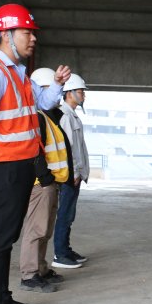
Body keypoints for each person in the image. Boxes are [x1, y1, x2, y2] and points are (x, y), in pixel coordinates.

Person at [0, 3, 71, 304]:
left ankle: (3, 298)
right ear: (7, 35)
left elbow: (41, 106)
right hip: (5, 167)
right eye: (27, 32)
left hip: (22, 165)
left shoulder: (19, 74)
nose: (32, 39)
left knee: (8, 235)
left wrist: (55, 84)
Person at [17, 67, 72, 293]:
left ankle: (41, 269)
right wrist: (45, 178)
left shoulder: (50, 117)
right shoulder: (38, 118)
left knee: (45, 230)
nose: (57, 96)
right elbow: (34, 152)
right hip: (42, 185)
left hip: (51, 183)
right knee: (36, 230)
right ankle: (29, 275)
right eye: (51, 89)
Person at [53, 74, 91, 269]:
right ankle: (60, 254)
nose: (83, 95)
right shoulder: (65, 116)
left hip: (75, 174)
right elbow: (68, 149)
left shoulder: (73, 115)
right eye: (80, 91)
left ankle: (66, 249)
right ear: (68, 93)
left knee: (69, 213)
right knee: (65, 213)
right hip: (69, 175)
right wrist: (75, 172)